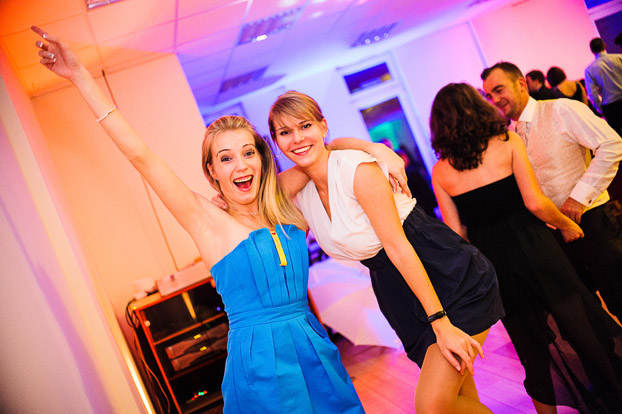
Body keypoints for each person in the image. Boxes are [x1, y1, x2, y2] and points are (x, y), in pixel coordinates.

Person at [32, 26, 366, 414]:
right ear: (212, 172)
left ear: (262, 159)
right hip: (261, 365)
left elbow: (322, 153)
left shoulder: (282, 197)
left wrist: (375, 150)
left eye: (248, 153)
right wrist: (80, 76)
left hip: (314, 347)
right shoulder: (205, 220)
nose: (240, 165)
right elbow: (141, 156)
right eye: (226, 158)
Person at [267, 90, 505, 414]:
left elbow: (398, 246)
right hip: (397, 290)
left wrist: (440, 321)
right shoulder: (301, 191)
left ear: (323, 126)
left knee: (433, 405)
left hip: (443, 273)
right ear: (276, 141)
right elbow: (261, 196)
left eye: (305, 125)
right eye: (285, 132)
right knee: (455, 400)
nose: (296, 138)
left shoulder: (358, 170)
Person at [430, 82, 622, 414]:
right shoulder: (507, 142)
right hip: (536, 247)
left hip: (493, 263)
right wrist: (566, 225)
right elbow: (535, 202)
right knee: (580, 320)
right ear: (479, 109)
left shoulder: (441, 171)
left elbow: (456, 233)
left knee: (529, 345)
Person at [481, 61, 622, 322]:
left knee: (619, 297)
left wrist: (579, 198)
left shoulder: (561, 109)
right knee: (587, 312)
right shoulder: (508, 137)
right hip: (553, 237)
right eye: (489, 95)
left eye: (499, 90)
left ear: (521, 84)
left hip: (593, 220)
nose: (495, 100)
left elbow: (612, 144)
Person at [585, 37, 622, 135]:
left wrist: (600, 108)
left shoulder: (589, 69)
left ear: (592, 51)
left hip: (610, 107)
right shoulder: (619, 58)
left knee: (618, 136)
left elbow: (592, 94)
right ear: (604, 45)